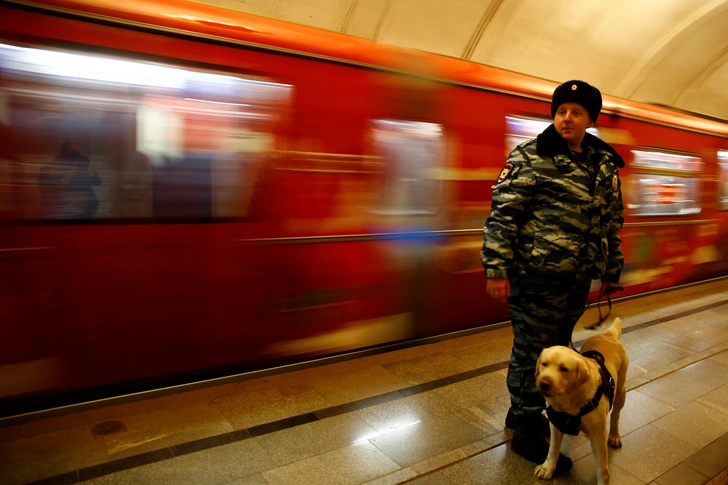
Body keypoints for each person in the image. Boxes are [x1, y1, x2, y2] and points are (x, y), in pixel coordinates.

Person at [480, 80, 625, 471]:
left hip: (576, 279)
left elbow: (612, 223)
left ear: (589, 120)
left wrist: (612, 269)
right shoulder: (530, 156)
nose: (566, 118)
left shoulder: (603, 165)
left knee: (557, 346)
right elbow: (502, 218)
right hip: (535, 276)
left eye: (576, 112)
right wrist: (497, 267)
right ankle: (528, 428)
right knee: (533, 350)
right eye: (561, 111)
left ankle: (526, 413)